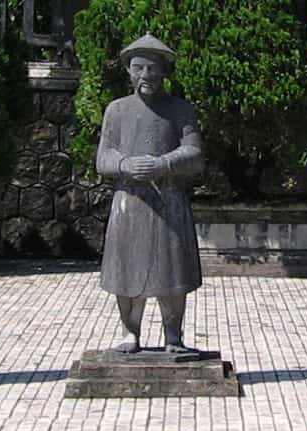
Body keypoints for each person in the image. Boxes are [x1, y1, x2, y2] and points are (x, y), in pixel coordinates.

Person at [94, 33, 205, 354]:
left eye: (153, 69)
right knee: (126, 270)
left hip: (169, 200)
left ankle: (174, 335)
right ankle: (131, 332)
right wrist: (126, 164)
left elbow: (195, 153)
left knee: (172, 271)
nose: (146, 76)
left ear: (165, 72)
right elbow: (104, 157)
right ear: (128, 71)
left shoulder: (180, 110)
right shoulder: (116, 110)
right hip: (130, 200)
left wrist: (164, 163)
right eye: (139, 68)